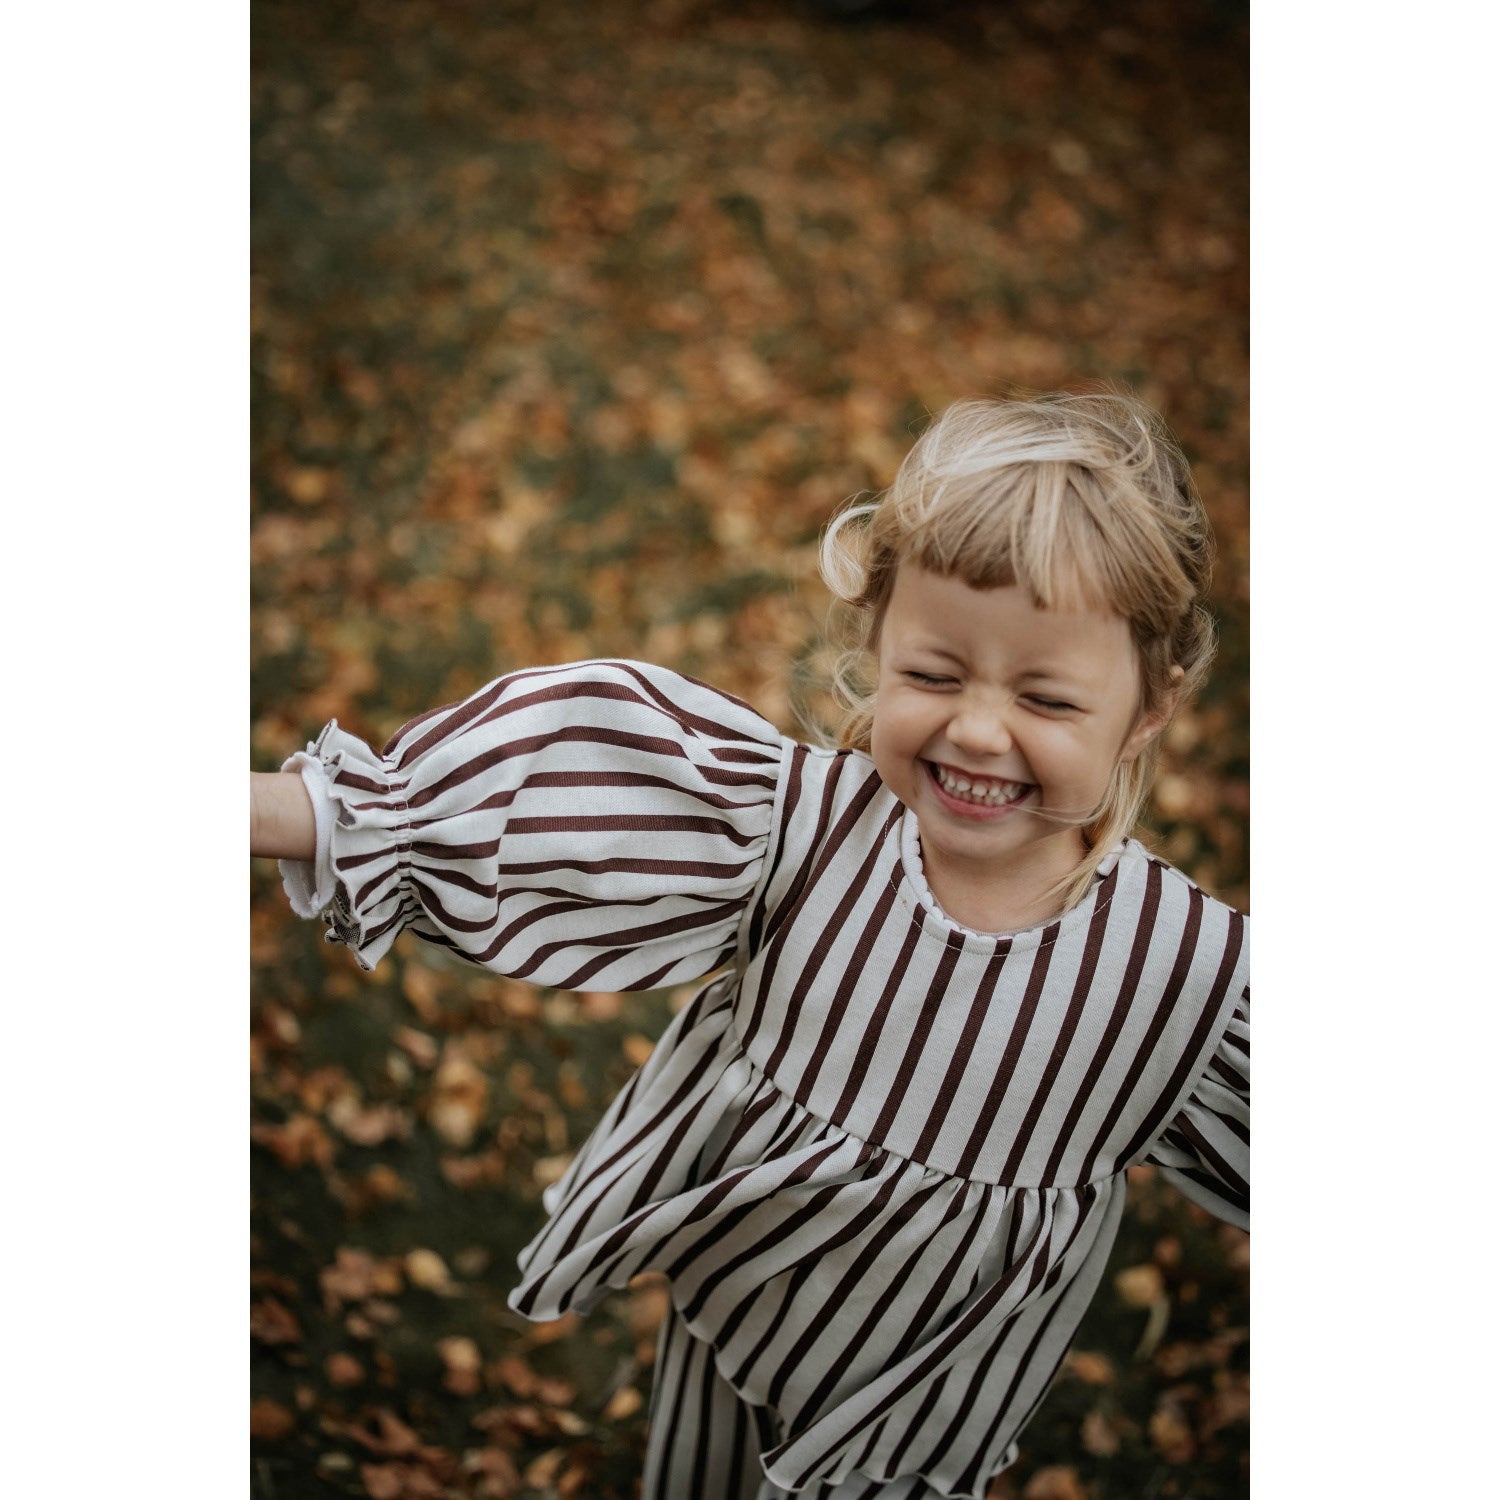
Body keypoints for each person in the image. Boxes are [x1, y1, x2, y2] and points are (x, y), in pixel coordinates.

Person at [251, 392, 1248, 1500]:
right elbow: (560, 819)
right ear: (877, 645)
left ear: (1149, 708)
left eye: (1047, 698)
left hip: (907, 1432)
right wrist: (283, 813)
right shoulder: (796, 830)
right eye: (933, 674)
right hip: (725, 1326)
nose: (976, 729)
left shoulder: (1185, 979)